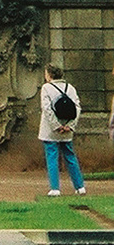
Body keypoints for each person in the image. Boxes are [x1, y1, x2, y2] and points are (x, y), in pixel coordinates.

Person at [40, 63, 86, 196]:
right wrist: (70, 126)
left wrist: (56, 126)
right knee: (70, 156)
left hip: (51, 130)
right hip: (67, 129)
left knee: (52, 157)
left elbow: (47, 109)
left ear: (49, 75)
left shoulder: (46, 88)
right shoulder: (70, 88)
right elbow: (77, 108)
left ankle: (55, 188)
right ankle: (80, 186)